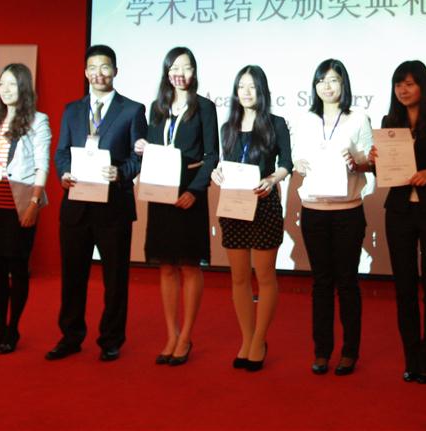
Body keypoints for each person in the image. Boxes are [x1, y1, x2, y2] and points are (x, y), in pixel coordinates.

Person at [48, 45, 146, 362]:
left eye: (105, 67)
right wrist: (64, 173)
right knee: (72, 276)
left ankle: (111, 339)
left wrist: (121, 172)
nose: (98, 73)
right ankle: (70, 336)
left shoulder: (133, 110)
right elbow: (61, 152)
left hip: (113, 206)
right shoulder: (72, 111)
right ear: (85, 72)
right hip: (76, 204)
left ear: (115, 71)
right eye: (92, 67)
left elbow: (139, 157)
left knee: (115, 279)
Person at [371, 60, 426, 384]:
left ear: (423, 86)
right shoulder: (389, 122)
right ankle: (412, 357)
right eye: (399, 84)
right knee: (404, 287)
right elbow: (385, 173)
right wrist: (375, 161)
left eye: (409, 83)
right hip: (399, 212)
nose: (403, 90)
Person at [135, 47, 218, 366]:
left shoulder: (205, 107)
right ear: (166, 71)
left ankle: (186, 337)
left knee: (189, 265)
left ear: (194, 72)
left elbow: (212, 156)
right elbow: (154, 148)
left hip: (189, 193)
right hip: (161, 193)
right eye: (174, 67)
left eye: (186, 67)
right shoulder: (157, 108)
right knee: (166, 266)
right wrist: (142, 147)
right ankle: (171, 334)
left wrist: (196, 191)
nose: (179, 73)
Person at [291, 58, 374, 376]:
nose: (327, 86)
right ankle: (322, 351)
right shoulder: (305, 119)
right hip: (314, 211)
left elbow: (370, 160)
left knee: (347, 282)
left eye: (333, 80)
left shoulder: (358, 117)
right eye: (321, 80)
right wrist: (299, 163)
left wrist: (357, 161)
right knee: (321, 283)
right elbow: (298, 156)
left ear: (344, 84)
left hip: (348, 212)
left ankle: (350, 351)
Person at [212, 65, 292, 372]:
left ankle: (259, 340)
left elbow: (286, 163)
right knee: (239, 277)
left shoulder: (276, 123)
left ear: (262, 90)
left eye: (253, 87)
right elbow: (225, 163)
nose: (246, 92)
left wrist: (272, 179)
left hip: (264, 204)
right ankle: (246, 338)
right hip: (234, 206)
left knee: (265, 276)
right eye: (241, 87)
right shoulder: (227, 127)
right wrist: (217, 172)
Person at [0, 63, 51, 355]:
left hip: (19, 202)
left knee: (18, 268)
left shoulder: (38, 121)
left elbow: (42, 165)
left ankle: (13, 328)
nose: (5, 90)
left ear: (24, 88)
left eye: (12, 84)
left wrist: (34, 204)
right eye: (2, 84)